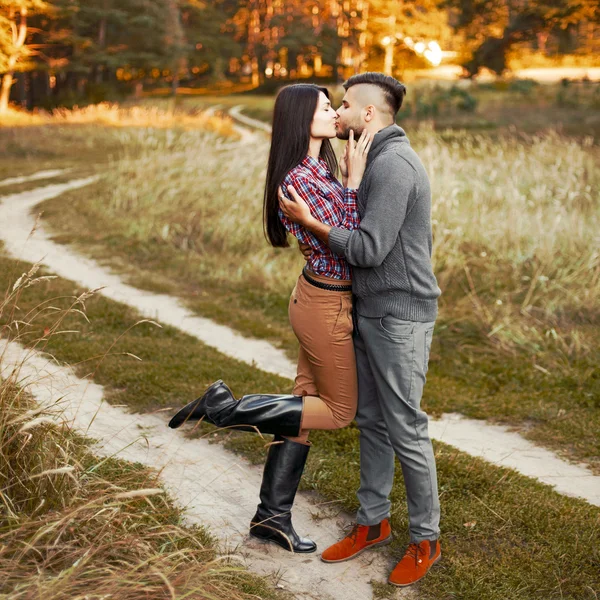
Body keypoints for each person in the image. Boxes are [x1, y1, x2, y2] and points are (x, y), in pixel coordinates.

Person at [168, 83, 372, 555]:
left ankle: (271, 517)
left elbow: (341, 221)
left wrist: (346, 179)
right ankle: (222, 408)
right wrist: (356, 183)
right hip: (325, 305)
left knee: (300, 411)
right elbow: (350, 235)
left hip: (320, 297)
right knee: (339, 413)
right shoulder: (298, 178)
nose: (335, 113)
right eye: (327, 107)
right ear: (305, 118)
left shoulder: (319, 167)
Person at [279, 72, 442, 587]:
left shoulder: (394, 166)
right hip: (368, 312)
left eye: (345, 104)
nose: (339, 111)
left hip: (400, 316)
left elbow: (368, 248)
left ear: (367, 114)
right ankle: (373, 524)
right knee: (371, 421)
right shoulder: (370, 159)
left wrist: (315, 223)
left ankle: (426, 539)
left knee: (405, 428)